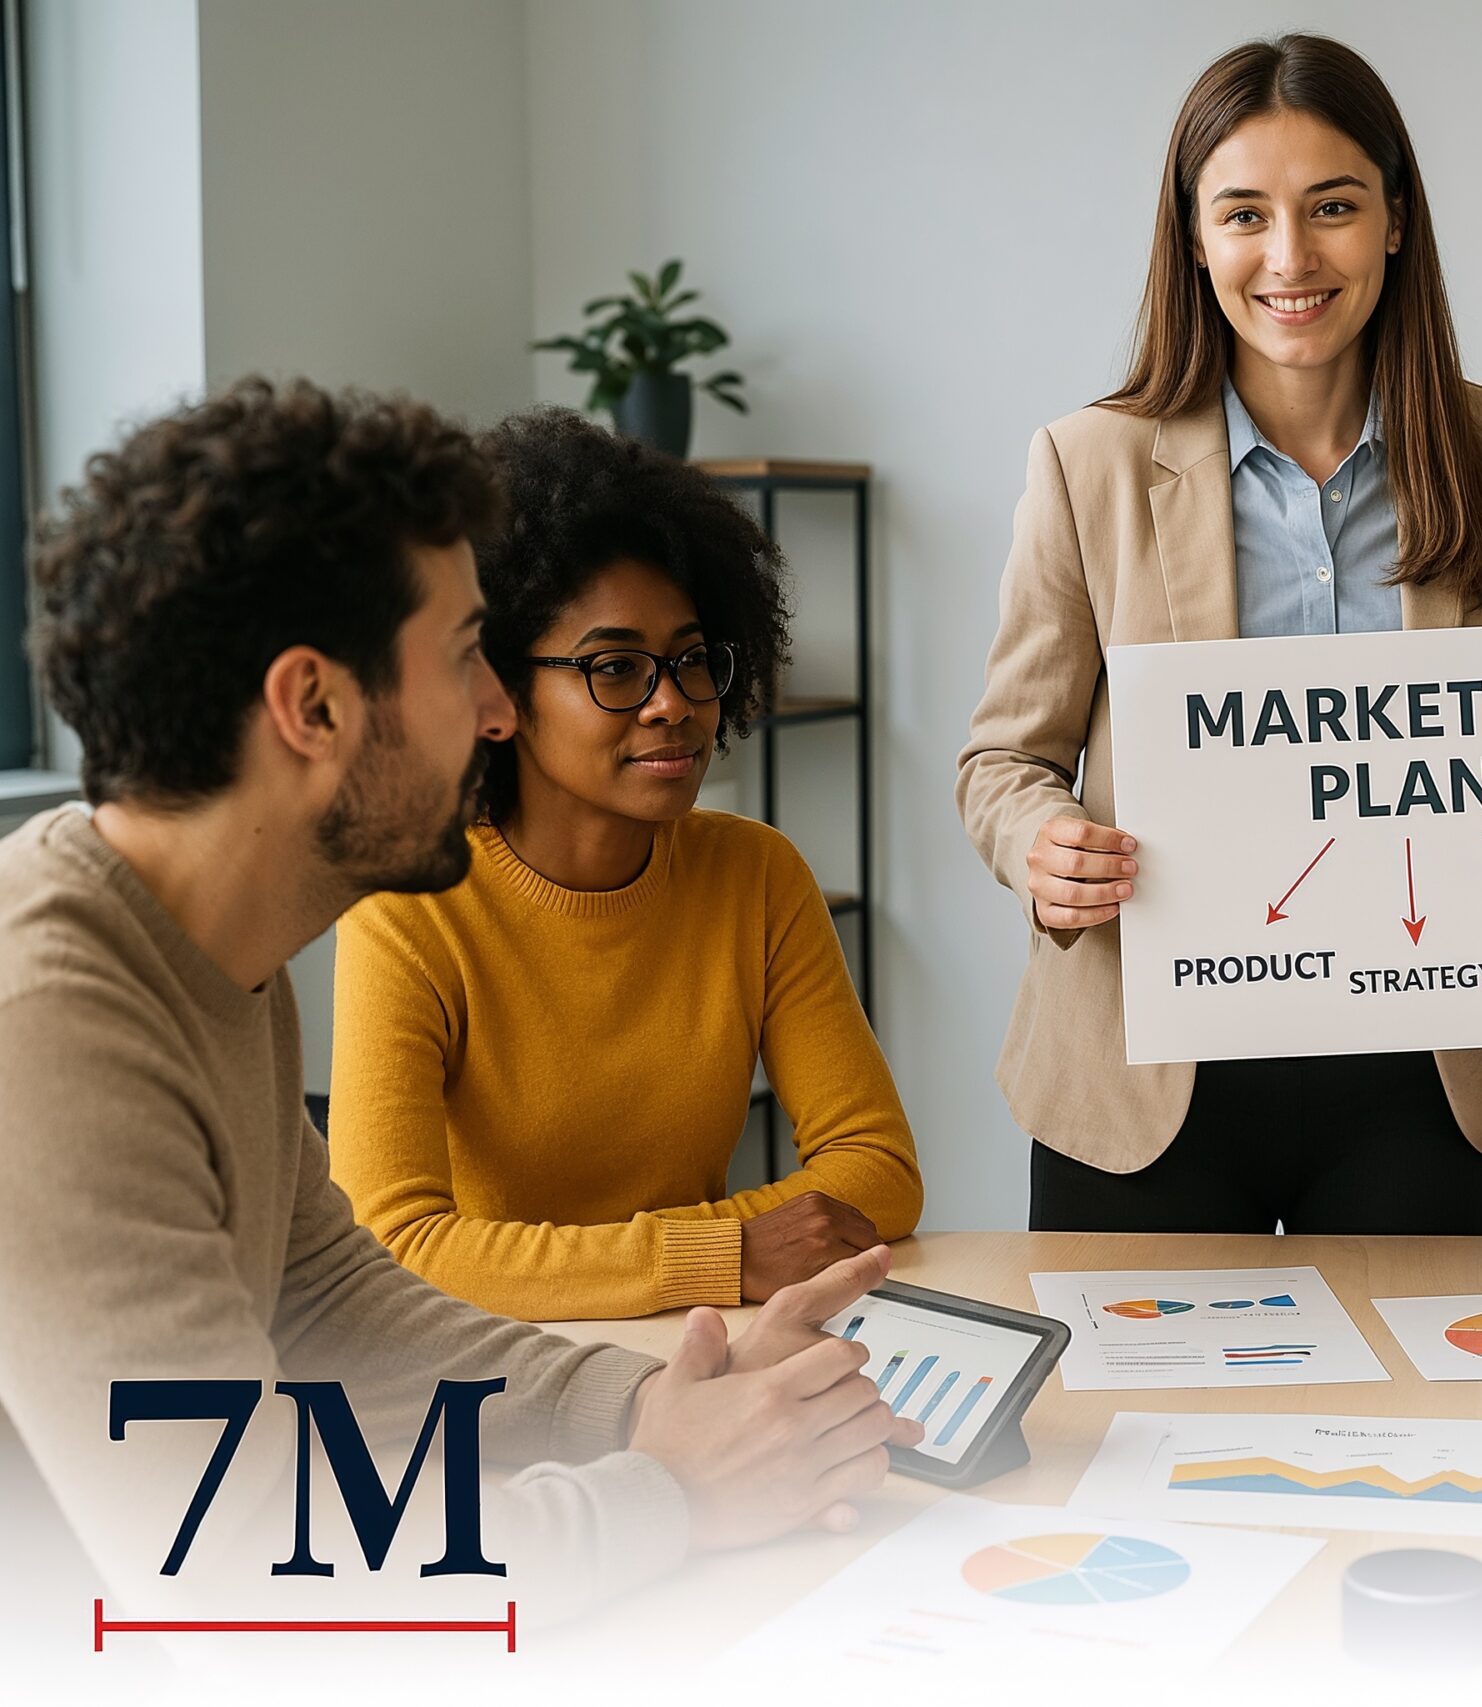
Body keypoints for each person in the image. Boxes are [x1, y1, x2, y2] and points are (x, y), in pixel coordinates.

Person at [0, 379, 920, 1621]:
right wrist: (669, 1490)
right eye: (461, 658)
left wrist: (650, 1405)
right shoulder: (46, 1025)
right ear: (314, 707)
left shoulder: (223, 954)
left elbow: (333, 1300)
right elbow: (239, 1581)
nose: (494, 711)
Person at [956, 34, 1482, 1234]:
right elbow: (1002, 761)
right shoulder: (1087, 462)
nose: (1289, 257)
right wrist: (1040, 847)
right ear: (1194, 237)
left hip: (1420, 1080)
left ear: (1394, 221)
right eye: (1243, 214)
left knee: (1407, 1370)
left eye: (1331, 206)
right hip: (1146, 1072)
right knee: (1130, 1372)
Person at [327, 409, 920, 1321]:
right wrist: (721, 1253)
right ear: (499, 689)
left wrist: (676, 1270)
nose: (672, 703)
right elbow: (395, 1245)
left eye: (692, 660)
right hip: (498, 1364)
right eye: (614, 668)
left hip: (702, 1342)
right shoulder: (410, 908)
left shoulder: (757, 876)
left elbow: (878, 1170)